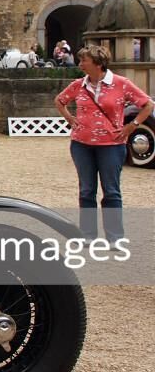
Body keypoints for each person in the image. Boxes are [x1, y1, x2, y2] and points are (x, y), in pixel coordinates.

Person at [54, 45, 153, 246]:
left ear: (98, 64)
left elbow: (147, 104)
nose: (80, 64)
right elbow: (60, 100)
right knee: (86, 190)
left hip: (111, 144)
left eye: (84, 61)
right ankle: (88, 235)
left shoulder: (121, 83)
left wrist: (132, 126)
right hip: (81, 144)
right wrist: (70, 118)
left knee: (111, 191)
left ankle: (115, 237)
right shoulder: (78, 85)